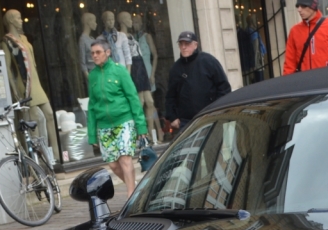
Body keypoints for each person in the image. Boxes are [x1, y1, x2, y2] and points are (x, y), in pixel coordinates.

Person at [86, 38, 148, 196]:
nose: (95, 55)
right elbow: (92, 106)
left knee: (125, 160)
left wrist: (141, 126)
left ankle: (131, 196)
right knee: (113, 165)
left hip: (124, 121)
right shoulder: (92, 76)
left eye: (98, 52)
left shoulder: (120, 71)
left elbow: (133, 98)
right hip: (104, 125)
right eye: (92, 53)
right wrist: (92, 134)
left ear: (108, 52)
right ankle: (134, 187)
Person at [163, 31, 231, 133]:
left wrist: (217, 110)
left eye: (187, 44)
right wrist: (172, 117)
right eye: (181, 44)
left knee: (213, 148)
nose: (184, 47)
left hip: (210, 117)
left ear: (195, 45)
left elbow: (224, 87)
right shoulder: (175, 69)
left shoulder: (208, 61)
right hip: (186, 122)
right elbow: (170, 96)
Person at [283, 0, 328, 74]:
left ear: (313, 6)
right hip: (304, 81)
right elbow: (289, 64)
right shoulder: (294, 31)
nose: (299, 10)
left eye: (303, 6)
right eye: (298, 6)